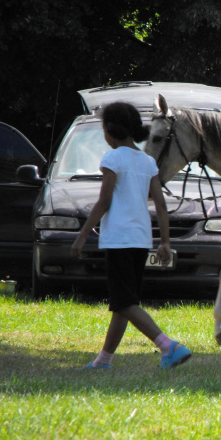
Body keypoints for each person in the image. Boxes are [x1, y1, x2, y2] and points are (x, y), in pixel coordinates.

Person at [71, 102, 191, 369]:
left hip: (119, 240)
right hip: (140, 240)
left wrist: (81, 236)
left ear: (110, 131)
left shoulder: (112, 159)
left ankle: (168, 346)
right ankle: (103, 360)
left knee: (124, 302)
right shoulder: (147, 161)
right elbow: (160, 204)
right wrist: (165, 242)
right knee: (125, 303)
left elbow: (104, 201)